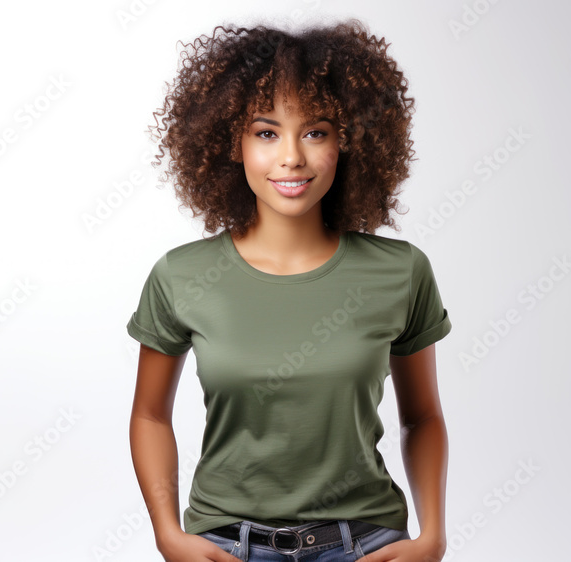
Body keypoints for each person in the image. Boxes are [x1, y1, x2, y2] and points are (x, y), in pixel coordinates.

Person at [126, 19, 451, 562]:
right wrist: (167, 532)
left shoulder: (401, 271)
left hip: (365, 545)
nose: (292, 157)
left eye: (316, 132)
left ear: (346, 142)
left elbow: (422, 417)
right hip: (224, 547)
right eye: (267, 132)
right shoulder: (181, 276)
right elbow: (149, 415)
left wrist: (433, 538)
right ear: (232, 142)